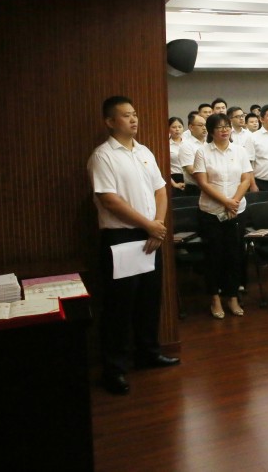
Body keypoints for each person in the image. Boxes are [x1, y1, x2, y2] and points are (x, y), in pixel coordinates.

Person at [88, 96, 179, 396]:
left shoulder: (144, 151)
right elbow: (109, 200)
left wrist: (158, 225)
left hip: (152, 234)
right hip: (121, 239)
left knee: (149, 299)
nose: (134, 119)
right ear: (110, 122)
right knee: (119, 305)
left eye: (135, 114)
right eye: (126, 115)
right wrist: (148, 225)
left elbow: (161, 190)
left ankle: (148, 353)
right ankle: (114, 369)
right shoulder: (103, 156)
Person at [193, 113, 252, 319]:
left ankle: (232, 296)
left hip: (236, 211)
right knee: (214, 256)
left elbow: (246, 179)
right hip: (211, 212)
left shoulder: (239, 151)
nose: (225, 130)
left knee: (235, 255)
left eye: (227, 126)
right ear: (211, 131)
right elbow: (203, 182)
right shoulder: (203, 152)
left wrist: (234, 201)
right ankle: (215, 298)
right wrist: (225, 202)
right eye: (219, 127)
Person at [178, 111, 207, 196]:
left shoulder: (208, 144)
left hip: (212, 185)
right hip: (195, 189)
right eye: (200, 125)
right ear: (191, 127)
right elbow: (191, 170)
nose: (204, 128)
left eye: (205, 125)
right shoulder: (186, 145)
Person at [168, 116, 186, 194]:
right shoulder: (166, 145)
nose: (177, 129)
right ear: (168, 129)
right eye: (174, 127)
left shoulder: (188, 143)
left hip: (190, 178)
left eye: (180, 127)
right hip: (174, 178)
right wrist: (174, 184)